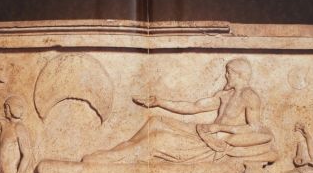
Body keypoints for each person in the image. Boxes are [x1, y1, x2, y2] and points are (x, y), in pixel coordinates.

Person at [83, 58, 273, 163]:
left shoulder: (250, 96)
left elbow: (254, 128)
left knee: (157, 139)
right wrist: (159, 102)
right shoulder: (225, 94)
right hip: (203, 132)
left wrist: (221, 128)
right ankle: (119, 151)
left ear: (239, 75)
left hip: (213, 142)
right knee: (156, 121)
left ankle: (114, 159)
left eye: (229, 72)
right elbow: (194, 107)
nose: (226, 76)